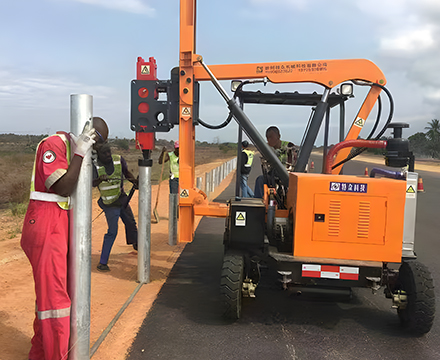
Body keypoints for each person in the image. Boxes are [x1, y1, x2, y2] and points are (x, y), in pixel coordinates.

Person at [20, 117, 109, 360]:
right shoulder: (55, 145)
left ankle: (40, 353)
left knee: (55, 295)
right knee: (55, 302)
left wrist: (86, 159)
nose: (98, 147)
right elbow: (62, 187)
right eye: (97, 141)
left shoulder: (73, 151)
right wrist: (80, 153)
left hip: (58, 223)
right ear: (86, 131)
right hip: (46, 222)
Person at [93, 143, 139, 272]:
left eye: (109, 152)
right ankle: (103, 262)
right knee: (112, 231)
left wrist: (134, 181)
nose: (108, 155)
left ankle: (137, 244)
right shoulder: (95, 166)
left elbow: (126, 173)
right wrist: (99, 180)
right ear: (99, 155)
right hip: (109, 204)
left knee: (130, 223)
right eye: (105, 153)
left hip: (121, 199)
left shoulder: (118, 160)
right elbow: (90, 183)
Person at [254, 126, 298, 198]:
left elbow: (294, 163)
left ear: (279, 136)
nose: (269, 140)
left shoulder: (289, 147)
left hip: (287, 177)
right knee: (260, 180)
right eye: (267, 137)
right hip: (273, 177)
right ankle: (259, 203)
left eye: (271, 137)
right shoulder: (268, 150)